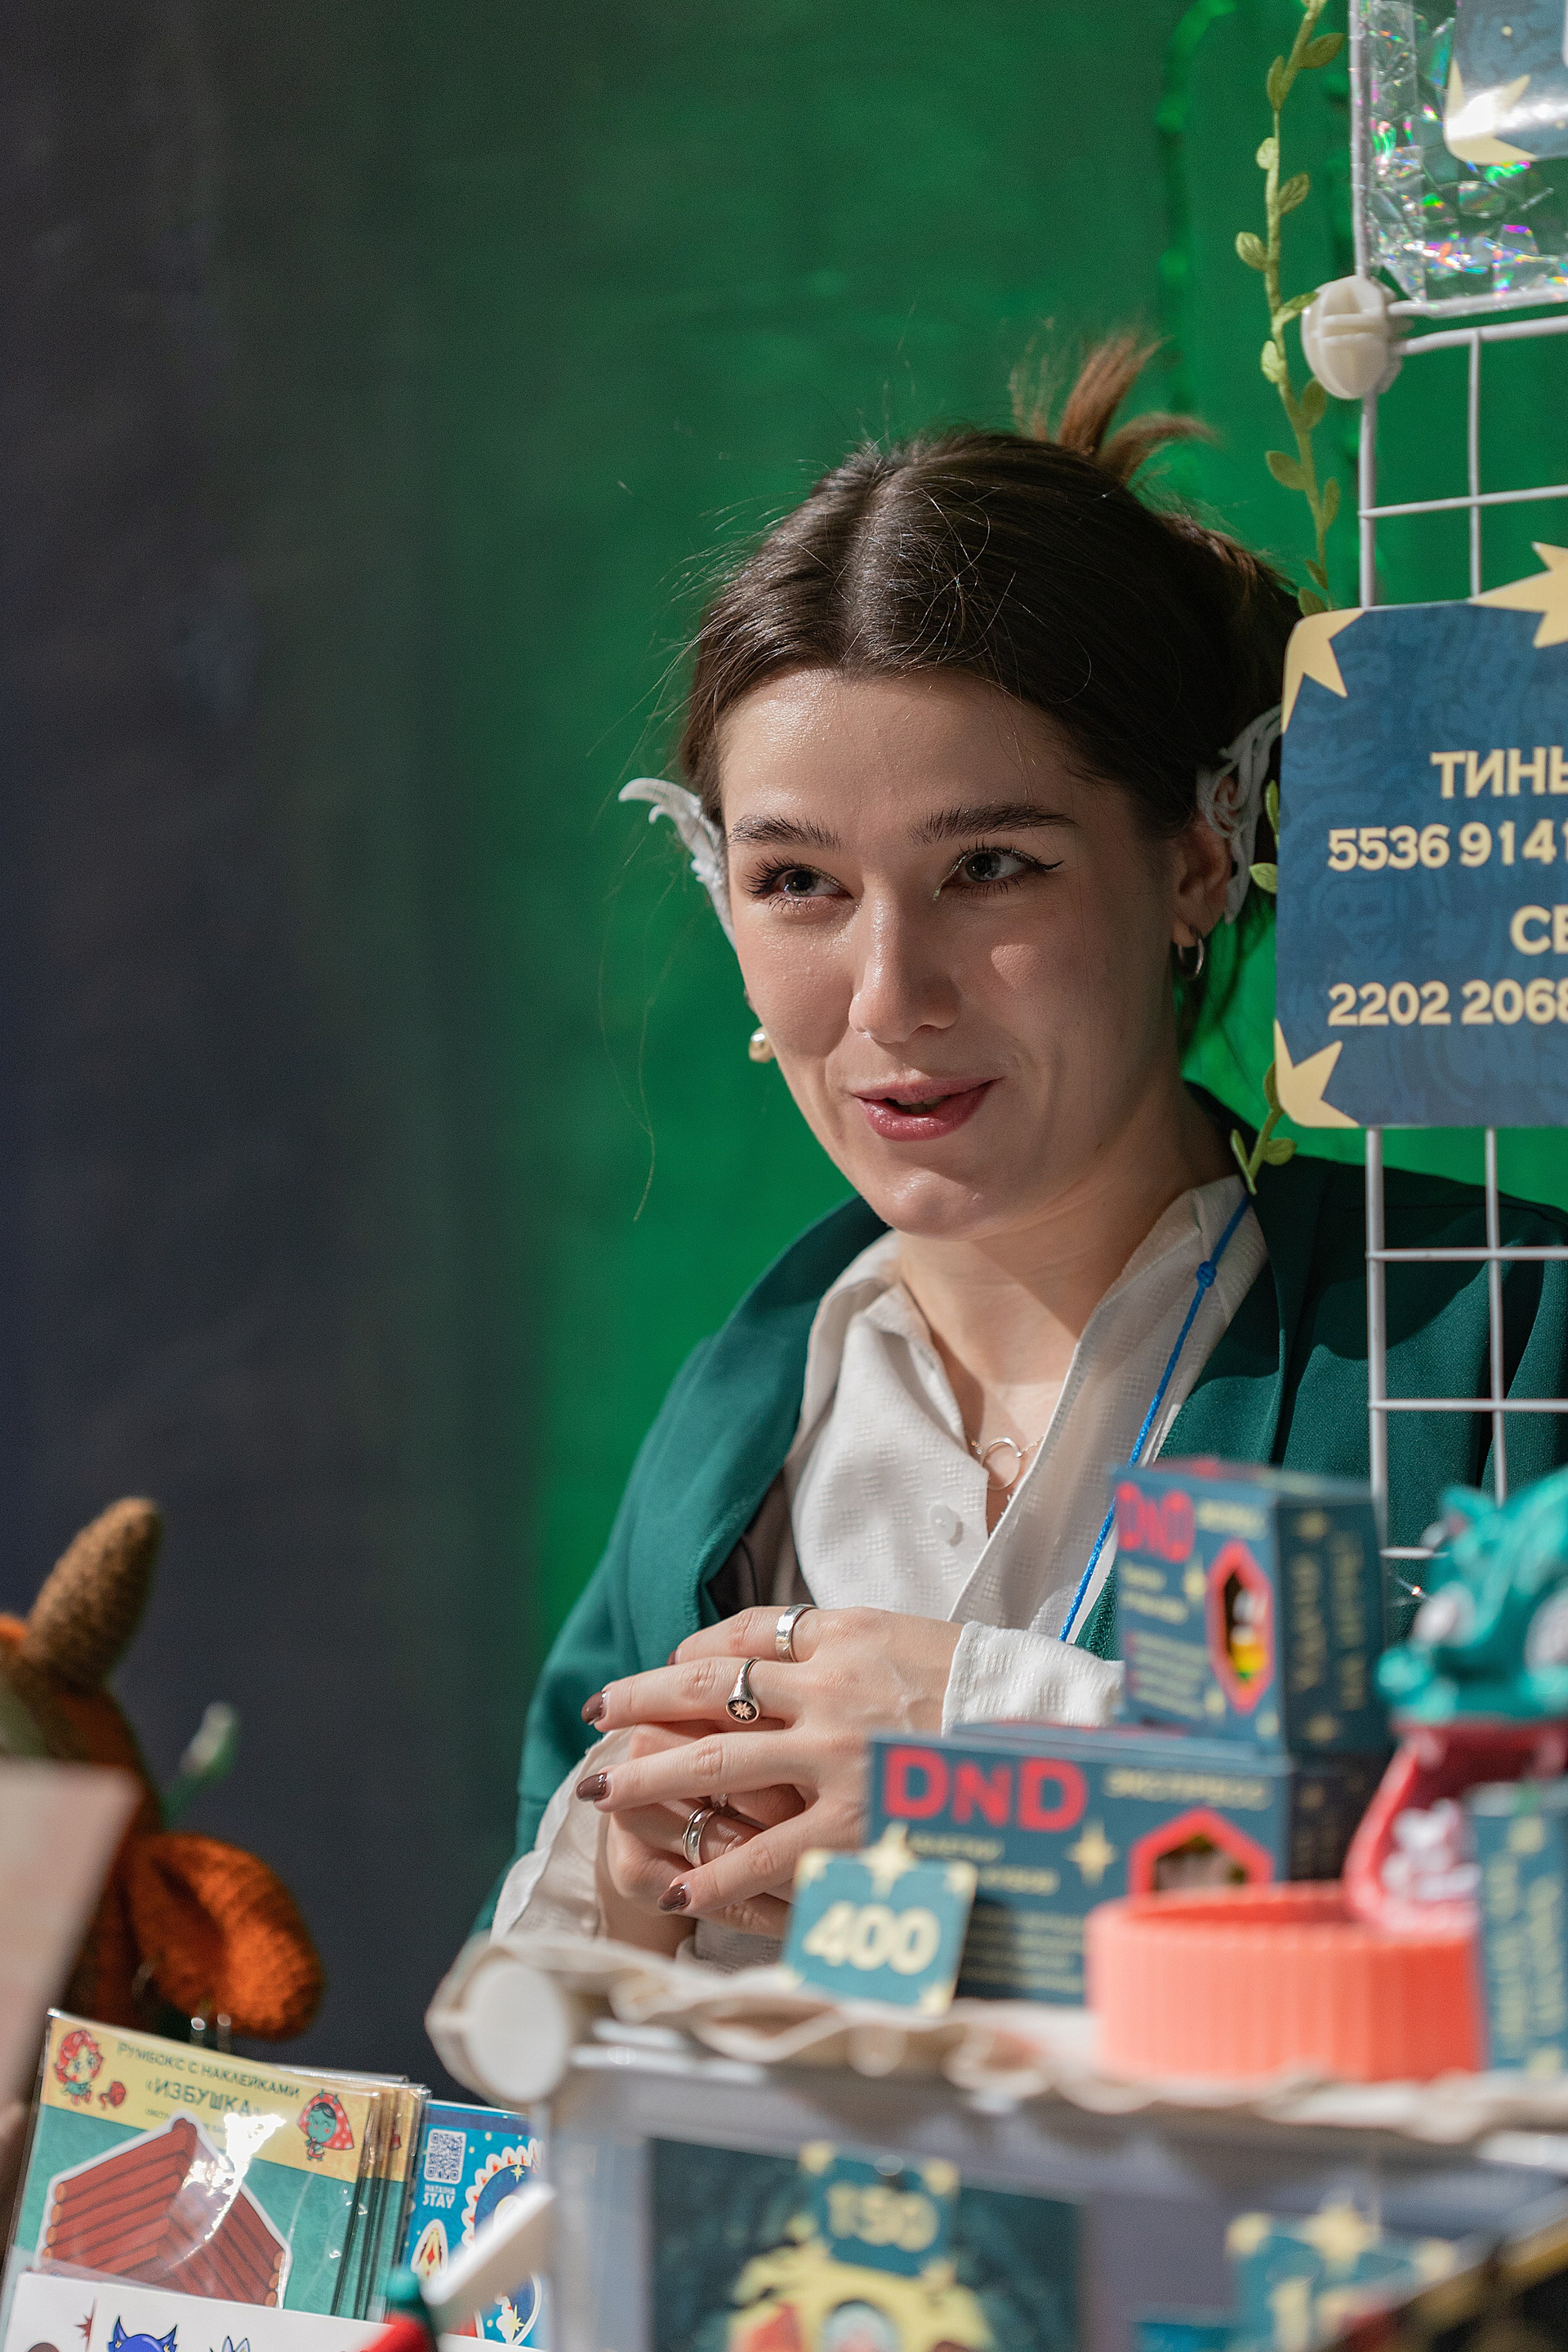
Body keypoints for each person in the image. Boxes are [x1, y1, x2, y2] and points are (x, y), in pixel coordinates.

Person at [483, 337, 1568, 1966]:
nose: (888, 995)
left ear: (1195, 860)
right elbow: (528, 2035)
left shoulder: (1494, 1341)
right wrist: (634, 1903)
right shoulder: (739, 1425)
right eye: (797, 882)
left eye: (990, 865)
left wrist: (1000, 1743)